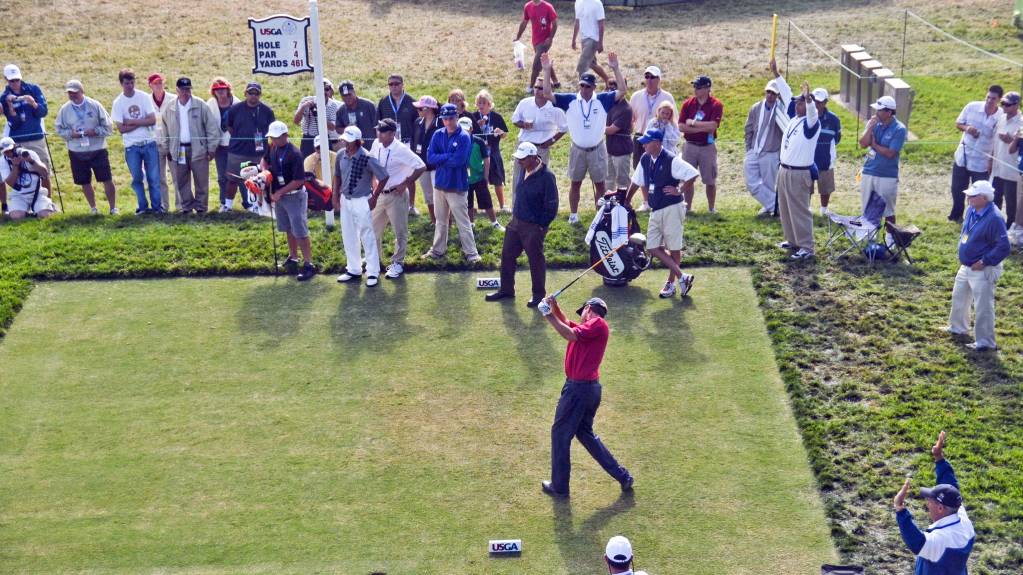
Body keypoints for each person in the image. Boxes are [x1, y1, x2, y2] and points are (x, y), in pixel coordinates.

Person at [537, 295, 633, 497]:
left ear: (589, 309)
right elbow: (565, 324)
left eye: (582, 313)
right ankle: (623, 476)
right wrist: (554, 307)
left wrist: (547, 315)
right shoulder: (590, 329)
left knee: (560, 434)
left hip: (578, 390)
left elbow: (569, 333)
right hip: (586, 389)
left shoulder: (597, 324)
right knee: (585, 435)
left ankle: (560, 487)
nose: (580, 318)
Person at [543, 51, 626, 224]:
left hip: (597, 148)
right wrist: (546, 70)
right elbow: (547, 94)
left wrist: (615, 68)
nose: (584, 89)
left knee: (600, 185)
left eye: (588, 86)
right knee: (575, 183)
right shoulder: (570, 99)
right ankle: (573, 214)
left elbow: (622, 90)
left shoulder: (603, 99)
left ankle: (601, 216)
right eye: (582, 85)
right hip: (577, 149)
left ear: (594, 87)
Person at [625, 128, 698, 297]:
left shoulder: (671, 159)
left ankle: (671, 284)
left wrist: (679, 190)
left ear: (657, 143)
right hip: (656, 209)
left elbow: (692, 174)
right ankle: (682, 277)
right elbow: (636, 181)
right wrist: (626, 201)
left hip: (673, 208)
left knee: (674, 248)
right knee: (652, 246)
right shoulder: (645, 159)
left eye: (647, 143)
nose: (643, 146)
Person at [893, 431, 975, 575]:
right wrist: (939, 458)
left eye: (930, 501)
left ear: (940, 508)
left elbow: (916, 542)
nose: (926, 503)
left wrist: (900, 509)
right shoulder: (963, 521)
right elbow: (951, 487)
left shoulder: (940, 541)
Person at [486, 142, 558, 307]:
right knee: (507, 255)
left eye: (523, 159)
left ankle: (539, 295)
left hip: (533, 226)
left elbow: (552, 205)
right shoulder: (522, 169)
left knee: (535, 260)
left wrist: (541, 225)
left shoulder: (547, 176)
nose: (519, 162)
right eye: (518, 158)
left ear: (534, 157)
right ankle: (506, 290)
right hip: (516, 222)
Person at [946, 180, 1010, 350]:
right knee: (959, 296)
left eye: (972, 196)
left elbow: (1004, 247)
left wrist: (984, 262)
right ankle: (958, 327)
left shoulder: (995, 218)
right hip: (966, 265)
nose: (968, 198)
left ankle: (985, 342)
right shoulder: (972, 210)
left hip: (982, 268)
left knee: (983, 306)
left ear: (983, 198)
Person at [423, 104, 482, 263]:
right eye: (445, 118)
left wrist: (441, 158)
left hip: (457, 186)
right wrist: (447, 156)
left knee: (463, 221)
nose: (448, 121)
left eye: (451, 118)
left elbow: (459, 160)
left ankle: (472, 253)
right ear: (442, 119)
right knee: (440, 221)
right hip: (440, 185)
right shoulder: (437, 134)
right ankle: (437, 250)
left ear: (456, 117)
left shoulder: (464, 136)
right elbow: (429, 158)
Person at [369, 119, 426, 280]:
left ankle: (397, 263)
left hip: (396, 195)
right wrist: (373, 182)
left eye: (382, 131)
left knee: (400, 231)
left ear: (392, 134)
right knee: (373, 230)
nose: (378, 134)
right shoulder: (376, 144)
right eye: (378, 130)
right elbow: (372, 163)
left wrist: (406, 183)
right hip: (380, 194)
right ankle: (374, 260)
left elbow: (421, 166)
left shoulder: (401, 149)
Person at [263, 120, 317, 281]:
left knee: (300, 230)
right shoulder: (272, 147)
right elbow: (265, 160)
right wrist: (264, 173)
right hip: (280, 196)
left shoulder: (294, 153)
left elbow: (299, 180)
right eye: (272, 137)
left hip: (294, 196)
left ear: (285, 135)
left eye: (277, 137)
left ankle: (309, 264)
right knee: (288, 228)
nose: (274, 140)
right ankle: (293, 257)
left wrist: (279, 192)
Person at [54, 79, 117, 215]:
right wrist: (71, 134)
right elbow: (59, 130)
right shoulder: (64, 110)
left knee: (106, 179)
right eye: (69, 93)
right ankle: (93, 208)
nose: (72, 95)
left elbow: (109, 126)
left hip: (98, 149)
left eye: (75, 92)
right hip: (77, 151)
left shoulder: (95, 105)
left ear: (82, 91)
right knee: (84, 181)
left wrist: (95, 132)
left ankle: (113, 208)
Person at [334, 126, 386, 286]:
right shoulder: (341, 155)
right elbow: (337, 176)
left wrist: (375, 196)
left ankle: (373, 272)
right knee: (348, 235)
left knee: (367, 235)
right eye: (344, 140)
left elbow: (383, 176)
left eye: (349, 141)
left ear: (357, 141)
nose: (345, 144)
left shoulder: (367, 157)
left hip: (362, 200)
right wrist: (335, 197)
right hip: (345, 200)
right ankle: (354, 269)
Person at [160, 77, 220, 214]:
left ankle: (201, 207)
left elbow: (212, 128)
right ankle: (186, 207)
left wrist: (211, 148)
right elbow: (164, 130)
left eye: (188, 89)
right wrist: (167, 148)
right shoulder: (169, 108)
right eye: (183, 89)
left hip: (199, 149)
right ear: (177, 90)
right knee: (181, 181)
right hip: (178, 149)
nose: (186, 92)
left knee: (201, 181)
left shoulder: (200, 105)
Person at [776, 82, 820, 261]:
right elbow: (786, 95)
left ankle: (806, 246)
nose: (796, 105)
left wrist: (809, 100)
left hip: (799, 172)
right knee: (785, 207)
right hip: (785, 169)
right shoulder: (794, 119)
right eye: (797, 102)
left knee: (800, 209)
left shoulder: (811, 123)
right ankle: (792, 240)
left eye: (800, 102)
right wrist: (777, 76)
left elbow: (812, 113)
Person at [111, 68, 163, 214]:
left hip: (148, 142)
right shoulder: (118, 102)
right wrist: (141, 122)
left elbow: (152, 120)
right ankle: (143, 207)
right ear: (121, 83)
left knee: (154, 178)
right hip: (131, 146)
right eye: (127, 83)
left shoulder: (144, 97)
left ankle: (157, 208)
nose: (130, 85)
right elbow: (121, 128)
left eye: (132, 82)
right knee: (137, 179)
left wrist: (131, 122)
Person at [744, 58, 791, 216]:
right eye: (768, 92)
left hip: (771, 153)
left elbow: (788, 95)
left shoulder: (781, 110)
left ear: (778, 96)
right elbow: (749, 128)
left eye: (774, 93)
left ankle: (770, 207)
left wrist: (776, 72)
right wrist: (749, 148)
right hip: (754, 150)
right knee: (751, 183)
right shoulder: (756, 107)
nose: (770, 95)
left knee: (769, 184)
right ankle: (775, 206)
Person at [949, 85, 1002, 224]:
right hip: (964, 156)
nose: (990, 100)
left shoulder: (1001, 116)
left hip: (982, 161)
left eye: (993, 98)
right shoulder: (972, 106)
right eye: (988, 97)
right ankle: (956, 215)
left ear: (999, 100)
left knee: (979, 192)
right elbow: (958, 123)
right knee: (957, 188)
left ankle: (977, 218)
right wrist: (967, 128)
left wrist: (991, 160)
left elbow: (997, 141)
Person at [511, 76, 568, 203]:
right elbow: (514, 120)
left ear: (549, 89)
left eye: (541, 88)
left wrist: (551, 141)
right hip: (524, 145)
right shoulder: (525, 103)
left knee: (539, 180)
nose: (537, 90)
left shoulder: (555, 108)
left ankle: (536, 208)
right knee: (518, 179)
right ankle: (516, 208)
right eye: (536, 87)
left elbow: (564, 128)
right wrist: (523, 124)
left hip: (541, 148)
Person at [223, 82, 275, 212]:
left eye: (256, 93)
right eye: (250, 93)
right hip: (237, 151)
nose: (253, 96)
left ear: (260, 95)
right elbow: (229, 127)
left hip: (258, 153)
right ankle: (227, 205)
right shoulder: (235, 109)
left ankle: (257, 205)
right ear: (245, 94)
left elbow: (271, 130)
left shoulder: (267, 111)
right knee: (232, 179)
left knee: (259, 181)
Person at [858, 95, 907, 231]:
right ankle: (869, 235)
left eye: (879, 110)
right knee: (867, 207)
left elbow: (891, 153)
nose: (876, 113)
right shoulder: (873, 123)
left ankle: (890, 238)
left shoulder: (899, 129)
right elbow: (862, 144)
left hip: (886, 175)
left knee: (888, 211)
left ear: (889, 112)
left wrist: (874, 145)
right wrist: (869, 128)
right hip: (868, 171)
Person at [679, 75, 723, 213]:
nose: (695, 89)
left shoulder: (716, 104)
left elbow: (713, 126)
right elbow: (681, 126)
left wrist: (692, 123)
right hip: (690, 145)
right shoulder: (687, 104)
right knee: (687, 178)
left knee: (710, 179)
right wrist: (701, 127)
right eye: (695, 87)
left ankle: (711, 208)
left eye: (698, 87)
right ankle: (688, 207)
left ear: (707, 88)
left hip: (707, 147)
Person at [1, 64, 51, 184]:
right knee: (21, 173)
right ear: (6, 79)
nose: (15, 83)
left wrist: (33, 103)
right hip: (18, 141)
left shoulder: (33, 89)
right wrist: (10, 106)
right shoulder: (4, 98)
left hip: (36, 138)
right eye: (11, 80)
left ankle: (48, 202)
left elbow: (43, 112)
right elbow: (14, 123)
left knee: (44, 172)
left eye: (17, 79)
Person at [470, 90, 511, 213]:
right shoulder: (473, 117)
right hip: (478, 154)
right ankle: (483, 206)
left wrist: (500, 132)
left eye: (484, 102)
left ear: (489, 104)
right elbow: (468, 132)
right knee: (481, 180)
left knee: (498, 180)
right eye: (479, 103)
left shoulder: (497, 117)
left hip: (494, 152)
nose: (481, 105)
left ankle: (502, 205)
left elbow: (505, 135)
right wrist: (477, 125)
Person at [629, 65, 675, 168]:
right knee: (639, 170)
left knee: (659, 170)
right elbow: (630, 119)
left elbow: (673, 119)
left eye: (652, 77)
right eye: (647, 77)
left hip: (659, 140)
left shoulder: (667, 97)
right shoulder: (636, 96)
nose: (649, 80)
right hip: (641, 138)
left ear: (659, 79)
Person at [461, 116, 503, 230]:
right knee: (468, 203)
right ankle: (471, 224)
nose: (463, 131)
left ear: (471, 129)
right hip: (464, 179)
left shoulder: (478, 142)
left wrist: (485, 175)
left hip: (479, 177)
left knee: (486, 201)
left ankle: (494, 222)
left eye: (466, 129)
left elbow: (486, 159)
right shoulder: (456, 141)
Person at [1, 136, 56, 219]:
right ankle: (30, 212)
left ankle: (47, 208)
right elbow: (10, 183)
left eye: (10, 151)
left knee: (45, 215)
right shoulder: (2, 161)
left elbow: (44, 173)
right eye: (6, 152)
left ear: (15, 146)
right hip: (19, 195)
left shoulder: (30, 153)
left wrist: (31, 161)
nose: (8, 154)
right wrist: (15, 166)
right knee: (17, 217)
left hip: (37, 192)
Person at [806, 88, 841, 215]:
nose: (817, 104)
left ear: (826, 102)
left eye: (820, 101)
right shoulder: (806, 116)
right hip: (808, 158)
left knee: (825, 187)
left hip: (826, 158)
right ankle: (806, 208)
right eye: (814, 100)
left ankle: (824, 209)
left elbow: (837, 139)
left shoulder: (834, 120)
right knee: (806, 186)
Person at [206, 78, 240, 209]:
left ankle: (248, 203)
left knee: (240, 175)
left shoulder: (237, 103)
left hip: (235, 145)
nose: (220, 92)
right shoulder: (211, 104)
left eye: (222, 89)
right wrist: (210, 146)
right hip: (219, 146)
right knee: (222, 176)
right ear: (213, 92)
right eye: (217, 90)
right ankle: (224, 202)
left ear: (228, 89)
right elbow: (208, 125)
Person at [515, 0, 561, 94]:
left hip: (545, 42)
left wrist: (550, 37)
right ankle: (556, 82)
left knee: (536, 65)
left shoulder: (548, 7)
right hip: (535, 40)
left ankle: (531, 87)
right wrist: (518, 37)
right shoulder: (528, 6)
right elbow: (524, 22)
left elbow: (555, 24)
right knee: (544, 59)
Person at [992, 92, 1020, 228]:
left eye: (1007, 104)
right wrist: (990, 162)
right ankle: (994, 226)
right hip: (997, 169)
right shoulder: (1001, 118)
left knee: (1011, 204)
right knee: (994, 200)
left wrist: (1011, 140)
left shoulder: (1021, 122)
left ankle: (1010, 229)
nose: (1004, 107)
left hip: (1011, 172)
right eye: (1002, 103)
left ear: (1016, 105)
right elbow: (994, 142)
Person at [412, 95, 442, 224]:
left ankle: (445, 222)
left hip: (437, 166)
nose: (417, 110)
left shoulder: (440, 123)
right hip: (423, 166)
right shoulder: (417, 122)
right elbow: (414, 141)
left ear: (428, 109)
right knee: (428, 196)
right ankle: (434, 221)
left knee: (439, 196)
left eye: (420, 108)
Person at [149, 73, 176, 211]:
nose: (158, 85)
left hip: (172, 144)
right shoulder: (147, 101)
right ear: (150, 85)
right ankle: (164, 207)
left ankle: (181, 206)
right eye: (155, 83)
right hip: (155, 144)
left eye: (160, 82)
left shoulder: (173, 99)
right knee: (160, 178)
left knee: (178, 176)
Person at [294, 78, 339, 157]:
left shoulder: (333, 105)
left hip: (324, 137)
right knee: (306, 164)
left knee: (328, 163)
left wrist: (319, 114)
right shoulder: (306, 100)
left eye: (326, 89)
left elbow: (332, 127)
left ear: (330, 91)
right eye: (321, 89)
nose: (324, 92)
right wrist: (303, 107)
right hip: (308, 138)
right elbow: (296, 121)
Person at [604, 78, 633, 198]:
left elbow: (611, 130)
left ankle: (625, 203)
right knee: (608, 179)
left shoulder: (626, 109)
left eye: (614, 85)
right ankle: (608, 203)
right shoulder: (609, 105)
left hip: (622, 151)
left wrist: (594, 128)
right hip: (609, 150)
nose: (611, 88)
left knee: (622, 180)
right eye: (609, 85)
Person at [572, 0, 609, 86]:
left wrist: (600, 42)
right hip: (584, 39)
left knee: (582, 66)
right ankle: (609, 80)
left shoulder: (597, 3)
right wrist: (573, 39)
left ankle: (582, 90)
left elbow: (601, 24)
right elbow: (577, 22)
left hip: (593, 39)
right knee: (592, 64)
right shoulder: (578, 2)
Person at [335, 80, 377, 152]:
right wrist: (346, 129)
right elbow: (338, 128)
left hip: (371, 148)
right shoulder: (341, 110)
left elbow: (377, 126)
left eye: (349, 94)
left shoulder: (369, 105)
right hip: (352, 150)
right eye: (344, 96)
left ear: (354, 92)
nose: (347, 97)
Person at [377, 74, 417, 145]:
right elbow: (378, 122)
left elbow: (417, 124)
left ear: (402, 85)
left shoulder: (411, 102)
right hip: (388, 142)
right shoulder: (383, 102)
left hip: (407, 142)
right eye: (391, 84)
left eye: (396, 84)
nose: (393, 86)